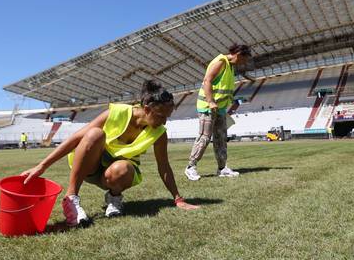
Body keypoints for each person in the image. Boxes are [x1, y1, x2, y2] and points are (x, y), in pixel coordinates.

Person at [21, 80, 199, 227]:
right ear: (146, 109)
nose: (164, 121)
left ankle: (114, 198)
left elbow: (164, 166)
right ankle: (71, 199)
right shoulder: (116, 113)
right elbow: (77, 138)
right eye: (160, 115)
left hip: (112, 174)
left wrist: (178, 199)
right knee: (94, 134)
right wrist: (42, 166)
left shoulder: (159, 132)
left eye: (167, 116)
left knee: (124, 168)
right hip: (88, 166)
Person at [184, 44, 252, 181]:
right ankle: (190, 167)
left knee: (221, 138)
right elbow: (207, 81)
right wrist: (211, 102)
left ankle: (222, 168)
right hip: (208, 107)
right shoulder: (220, 62)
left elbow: (223, 87)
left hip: (220, 108)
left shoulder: (231, 67)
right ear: (238, 55)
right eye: (244, 59)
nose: (244, 63)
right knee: (204, 137)